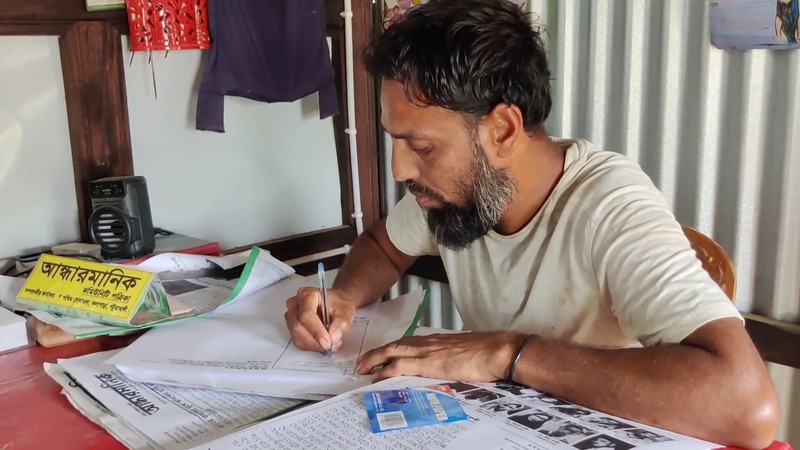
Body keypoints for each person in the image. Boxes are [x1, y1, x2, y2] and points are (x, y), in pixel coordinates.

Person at [282, 0, 779, 447]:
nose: (400, 170)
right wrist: (344, 297)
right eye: (395, 140)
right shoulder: (455, 193)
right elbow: (383, 245)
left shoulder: (608, 205)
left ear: (501, 130)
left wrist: (507, 353)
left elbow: (748, 406)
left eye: (422, 146)